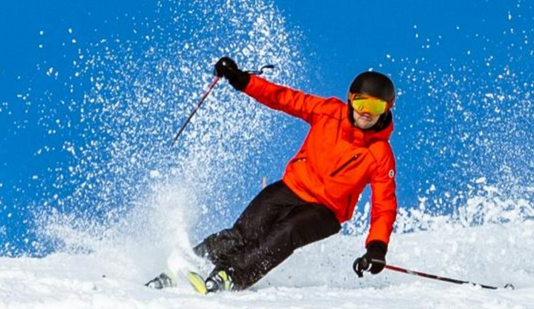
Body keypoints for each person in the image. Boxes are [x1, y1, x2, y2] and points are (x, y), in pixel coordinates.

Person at [150, 56, 398, 294]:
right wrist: (242, 80)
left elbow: (384, 205)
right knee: (245, 232)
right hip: (292, 187)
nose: (367, 112)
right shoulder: (328, 112)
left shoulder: (380, 154)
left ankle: (231, 275)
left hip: (326, 210)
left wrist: (377, 246)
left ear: (386, 109)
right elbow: (284, 98)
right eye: (362, 103)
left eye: (376, 107)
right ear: (351, 100)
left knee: (285, 232)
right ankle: (187, 264)